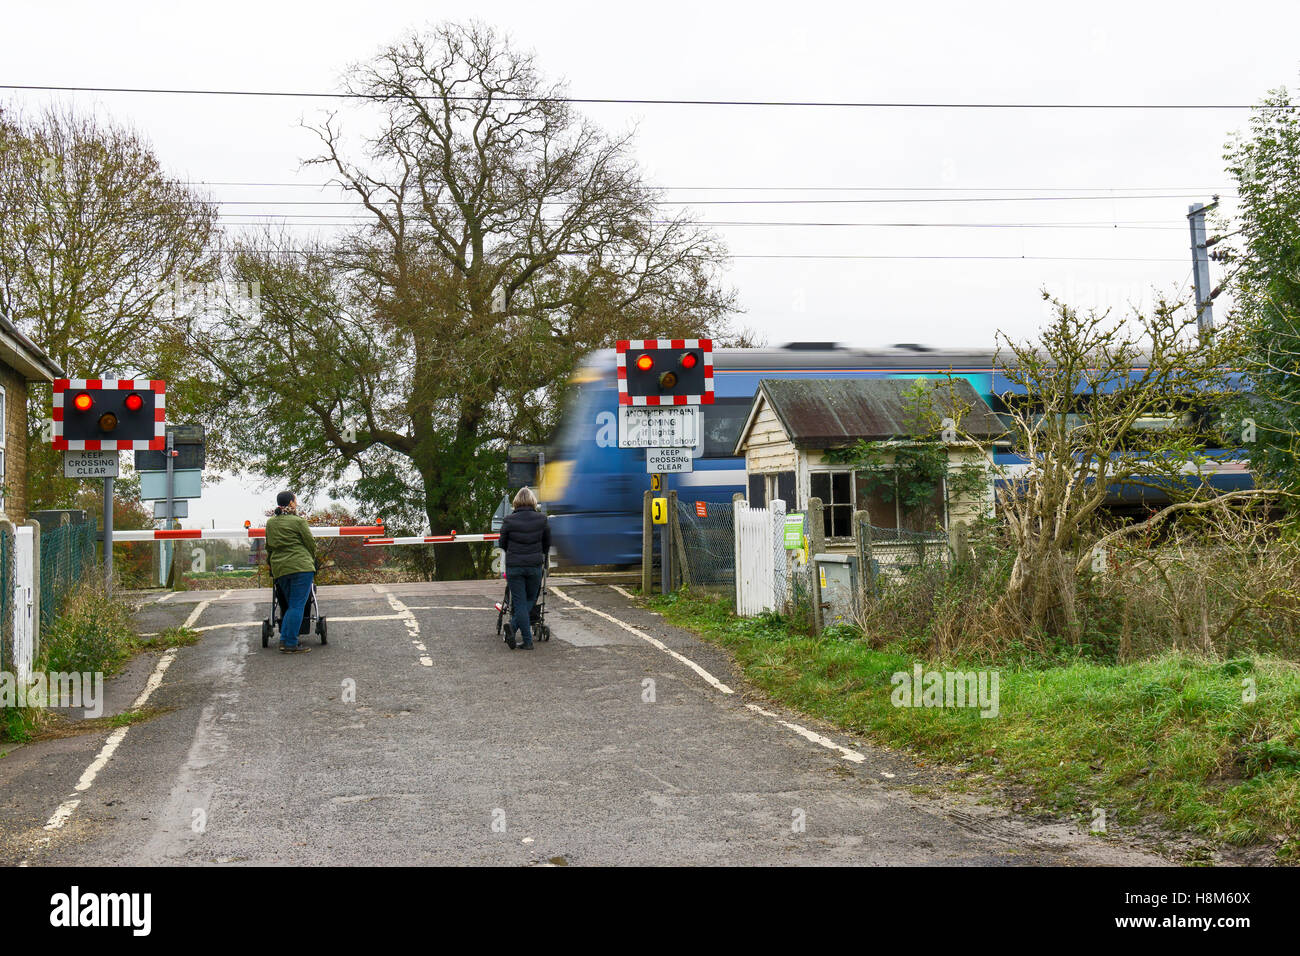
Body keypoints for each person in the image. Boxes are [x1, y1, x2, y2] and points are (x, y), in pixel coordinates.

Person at [498, 486, 550, 650]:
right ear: (533, 501)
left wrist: (513, 552)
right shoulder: (542, 519)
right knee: (531, 600)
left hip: (515, 566)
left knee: (519, 602)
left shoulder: (508, 520)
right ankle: (525, 640)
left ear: (516, 502)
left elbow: (502, 543)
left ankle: (514, 629)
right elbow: (546, 543)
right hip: (534, 566)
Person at [265, 491, 317, 654]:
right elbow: (310, 543)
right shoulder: (298, 521)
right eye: (296, 500)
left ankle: (284, 640)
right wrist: (310, 559)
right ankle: (291, 643)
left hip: (280, 568)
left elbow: (269, 546)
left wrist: (271, 564)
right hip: (301, 567)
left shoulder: (271, 523)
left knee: (289, 606)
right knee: (297, 605)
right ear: (291, 503)